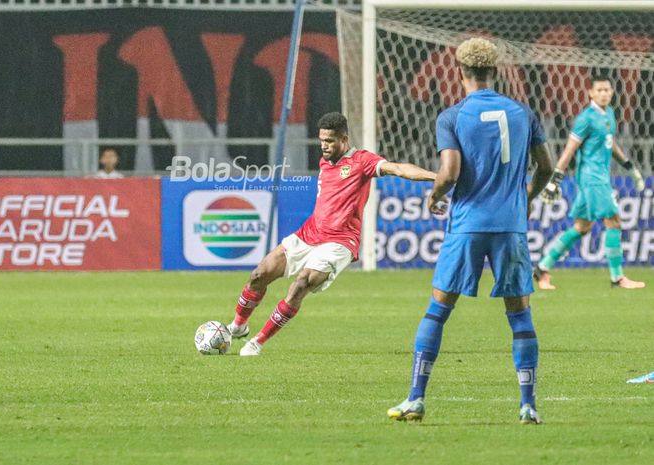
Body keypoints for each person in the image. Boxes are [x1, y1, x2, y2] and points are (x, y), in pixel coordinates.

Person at [386, 38, 553, 424]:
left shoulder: (452, 116)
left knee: (439, 309)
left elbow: (450, 172)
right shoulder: (523, 113)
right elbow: (545, 168)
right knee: (520, 314)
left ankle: (416, 398)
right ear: (495, 71)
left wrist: (434, 195)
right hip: (510, 227)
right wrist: (526, 199)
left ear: (459, 71)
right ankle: (528, 404)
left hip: (468, 224)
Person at [227, 112, 436, 356]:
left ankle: (257, 342)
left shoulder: (361, 161)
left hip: (339, 242)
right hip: (309, 233)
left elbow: (398, 168)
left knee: (301, 284)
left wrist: (436, 176)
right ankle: (238, 326)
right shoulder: (326, 161)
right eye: (322, 141)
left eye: (330, 141)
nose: (324, 146)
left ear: (344, 139)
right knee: (259, 274)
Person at [534, 75, 645, 290]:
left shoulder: (609, 114)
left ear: (612, 92)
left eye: (607, 90)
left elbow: (610, 143)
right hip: (592, 178)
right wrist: (556, 178)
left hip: (598, 177)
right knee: (613, 221)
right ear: (591, 93)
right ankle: (617, 277)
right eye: (600, 90)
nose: (604, 93)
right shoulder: (586, 118)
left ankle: (542, 268)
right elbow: (570, 149)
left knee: (582, 227)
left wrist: (629, 166)